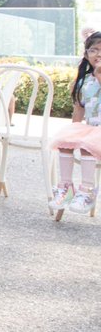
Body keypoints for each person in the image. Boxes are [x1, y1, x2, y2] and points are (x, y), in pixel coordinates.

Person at [48, 31, 101, 214]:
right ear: (86, 55)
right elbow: (78, 112)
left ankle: (87, 190)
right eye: (94, 50)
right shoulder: (83, 81)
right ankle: (66, 188)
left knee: (88, 144)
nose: (99, 54)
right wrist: (71, 134)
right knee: (66, 141)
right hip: (93, 129)